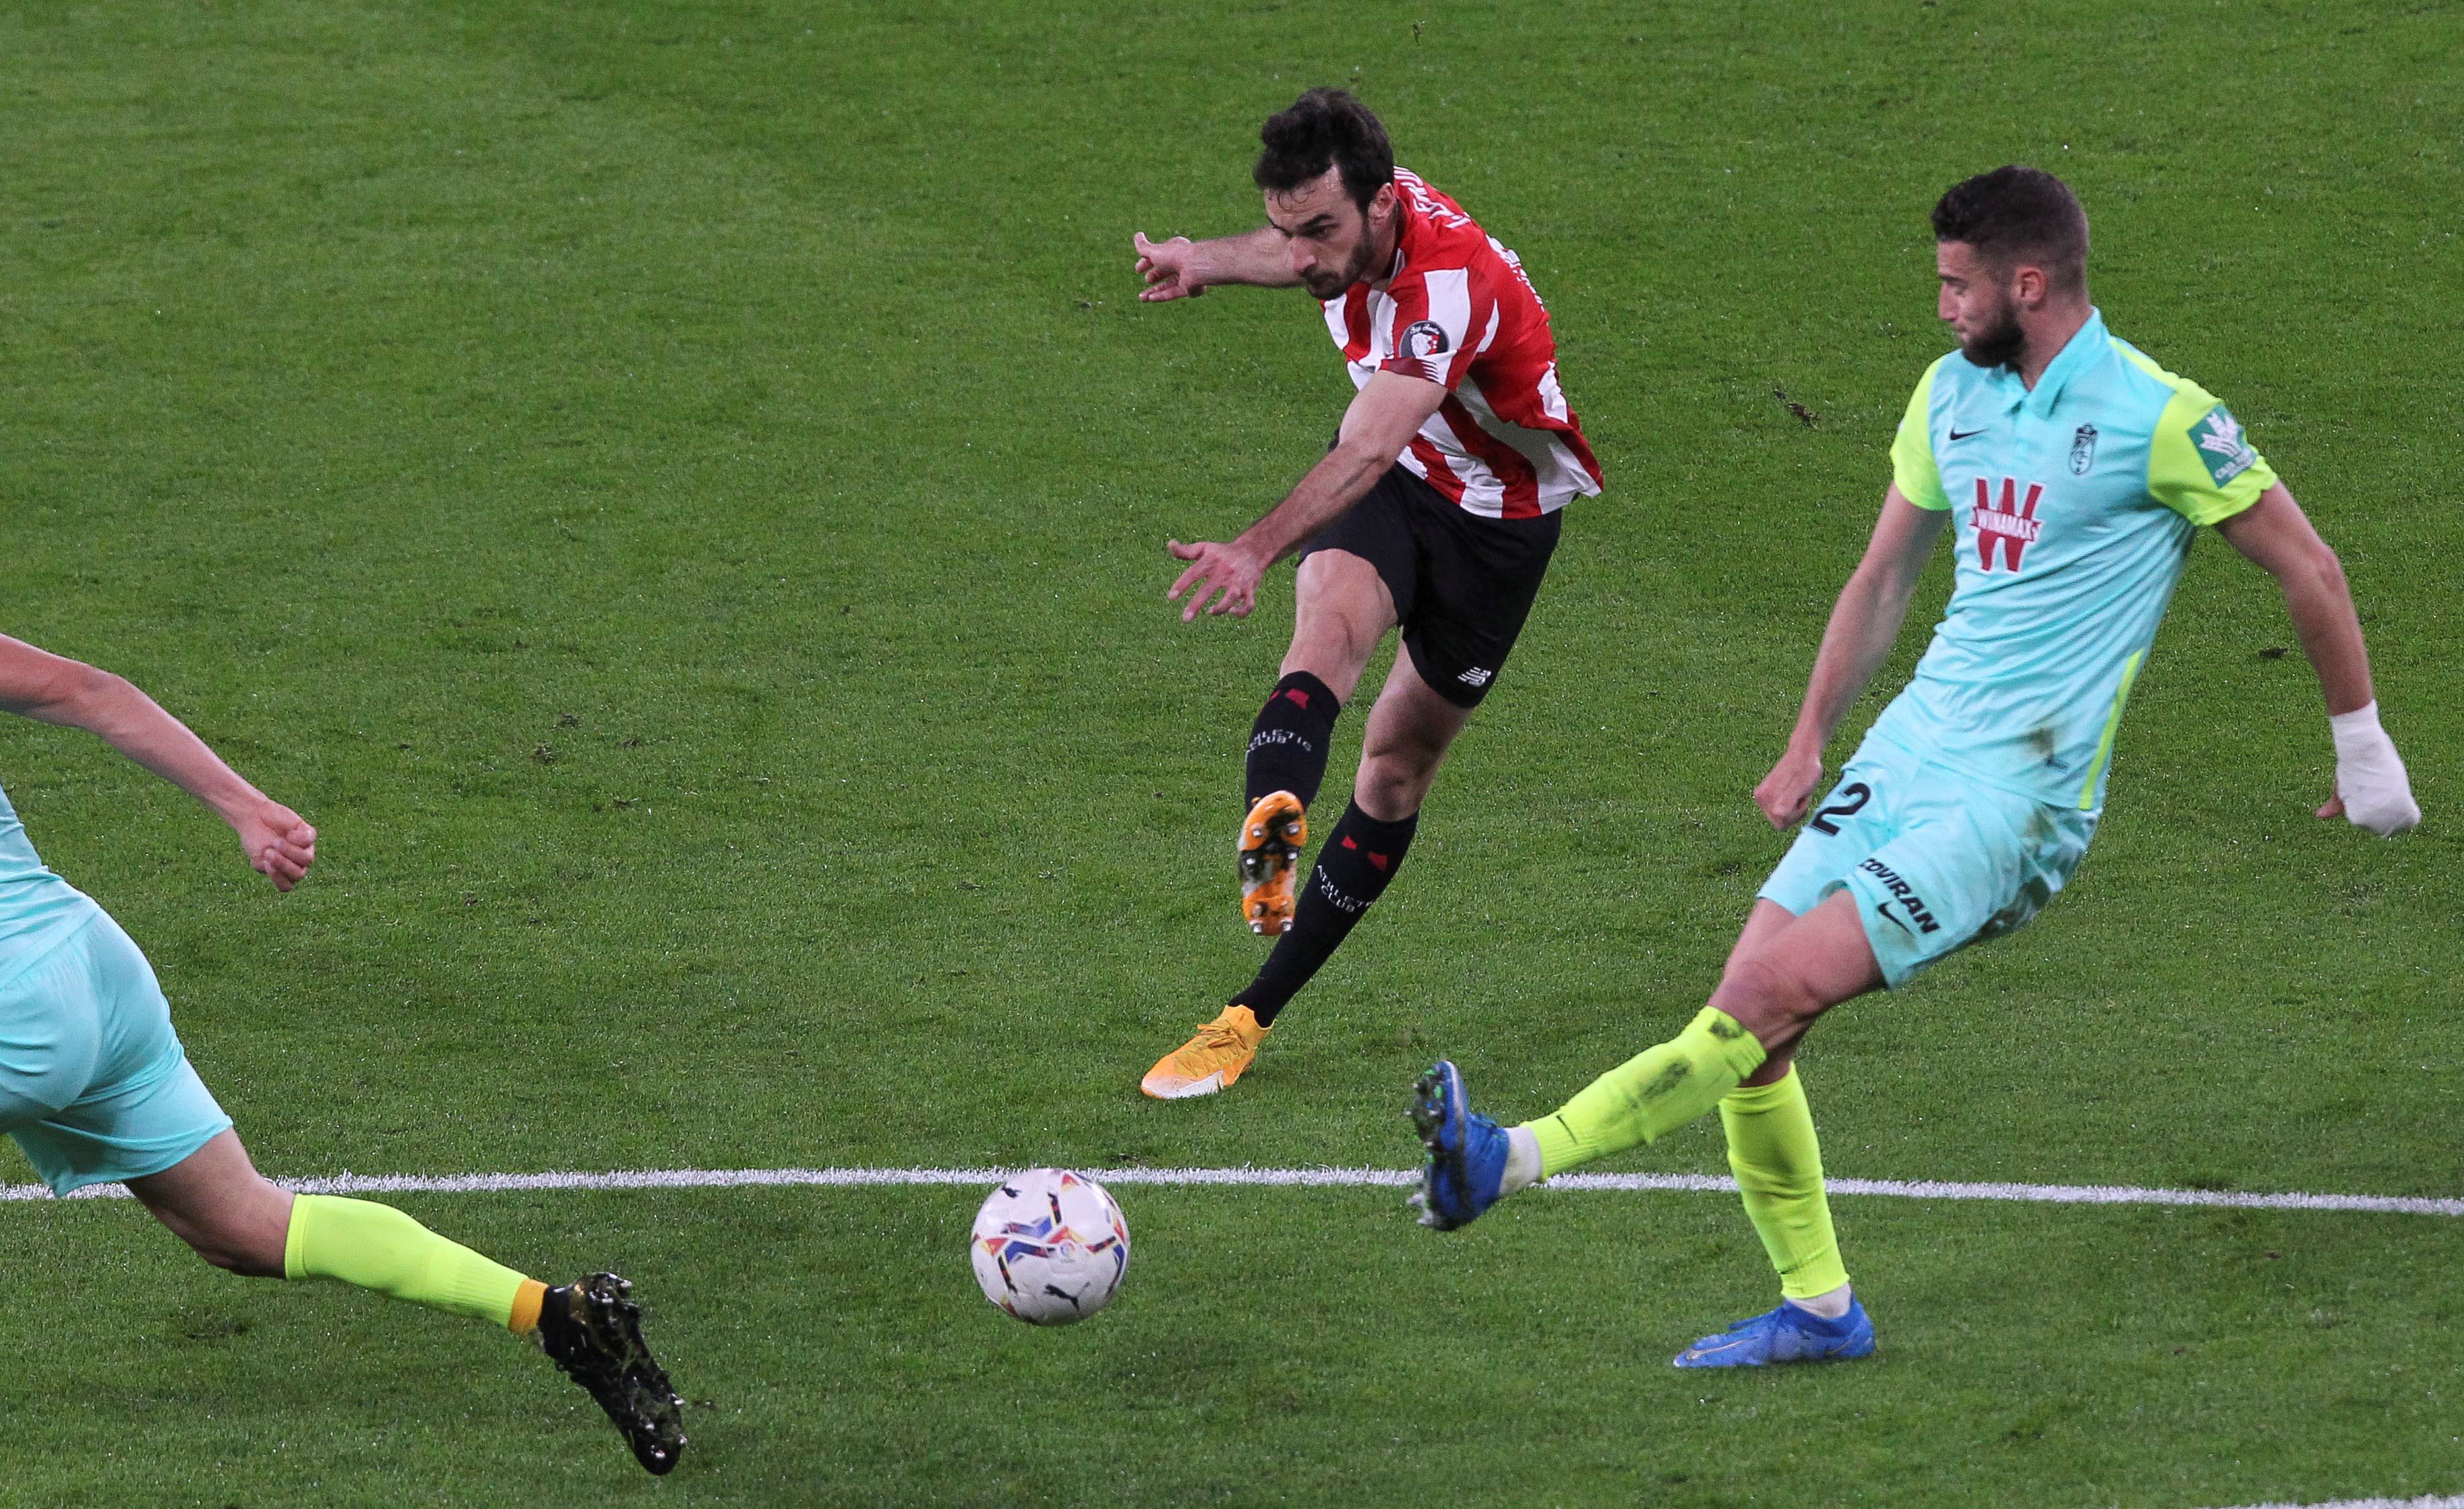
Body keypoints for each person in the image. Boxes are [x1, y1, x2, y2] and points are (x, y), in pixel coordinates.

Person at [1406, 165, 2421, 1367]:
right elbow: (1885, 576)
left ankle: (1506, 1156)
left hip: (2017, 802)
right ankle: (1823, 1308)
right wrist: (1809, 735)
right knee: (1755, 1025)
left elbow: (2310, 566)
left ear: (2026, 284)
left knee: (1761, 1003)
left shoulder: (2160, 416)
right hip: (1910, 751)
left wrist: (2364, 754)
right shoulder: (1952, 393)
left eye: (1957, 284)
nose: (1941, 306)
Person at [0, 633, 687, 1473]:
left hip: (17, 1019)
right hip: (93, 966)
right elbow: (90, 691)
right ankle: (555, 1314)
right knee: (245, 1227)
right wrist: (248, 808)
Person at [1130, 88, 1603, 1099]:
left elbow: (1370, 440)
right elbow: (1296, 259)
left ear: (1383, 205)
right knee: (1324, 641)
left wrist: (1253, 548)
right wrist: (1203, 257)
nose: (1298, 255)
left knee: (1393, 773)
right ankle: (1276, 819)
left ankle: (1253, 1008)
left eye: (1319, 230)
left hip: (1496, 526)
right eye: (1282, 228)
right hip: (1397, 482)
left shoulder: (1448, 283)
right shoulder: (1342, 230)